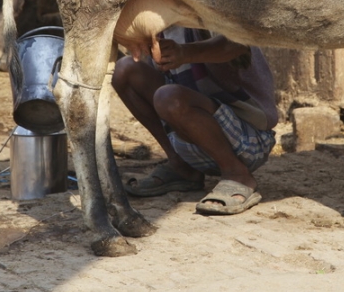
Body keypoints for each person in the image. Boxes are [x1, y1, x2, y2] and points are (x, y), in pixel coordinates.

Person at [112, 26, 278, 215]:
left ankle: (237, 174)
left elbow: (237, 43)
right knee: (125, 69)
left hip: (248, 139)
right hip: (194, 143)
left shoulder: (208, 7)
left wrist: (185, 53)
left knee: (168, 97)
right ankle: (181, 167)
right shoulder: (160, 27)